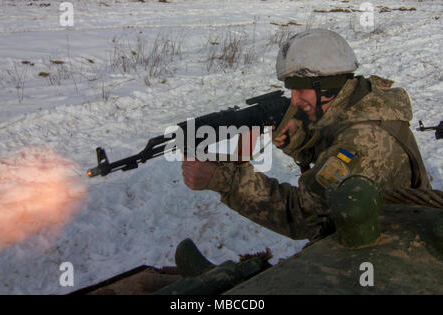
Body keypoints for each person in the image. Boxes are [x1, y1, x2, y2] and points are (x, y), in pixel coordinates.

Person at [181, 29, 431, 241]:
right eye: (291, 89)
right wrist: (297, 139)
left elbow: (305, 216)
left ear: (329, 87)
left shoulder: (364, 144)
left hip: (394, 250)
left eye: (301, 90)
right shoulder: (358, 100)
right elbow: (333, 141)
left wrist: (224, 179)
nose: (295, 99)